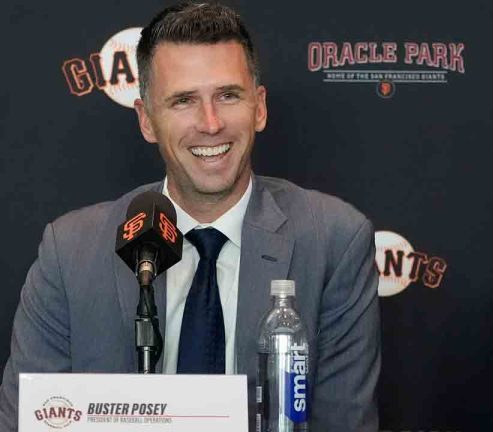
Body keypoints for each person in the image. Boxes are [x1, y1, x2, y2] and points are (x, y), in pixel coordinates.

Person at [0, 3, 380, 431]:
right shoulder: (69, 253)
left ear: (259, 107)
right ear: (146, 120)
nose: (211, 123)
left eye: (228, 95)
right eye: (183, 101)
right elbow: (23, 422)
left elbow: (343, 422)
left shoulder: (334, 241)